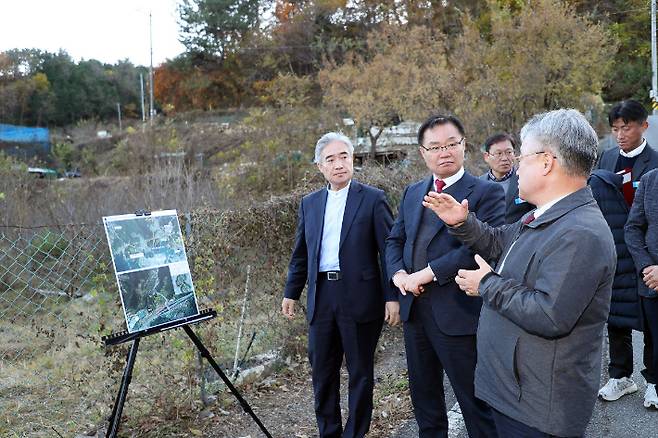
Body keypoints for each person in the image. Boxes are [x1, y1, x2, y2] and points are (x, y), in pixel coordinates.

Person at [424, 109, 616, 437]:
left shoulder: (580, 232)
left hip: (538, 409)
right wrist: (463, 223)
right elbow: (501, 243)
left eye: (521, 156)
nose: (515, 166)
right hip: (514, 395)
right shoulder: (546, 214)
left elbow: (549, 314)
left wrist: (486, 284)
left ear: (546, 162)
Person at [386, 114, 503, 437]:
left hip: (458, 312)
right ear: (423, 153)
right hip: (415, 312)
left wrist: (424, 274)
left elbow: (478, 250)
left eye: (452, 144)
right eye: (435, 147)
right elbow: (395, 240)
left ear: (464, 146)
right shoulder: (412, 192)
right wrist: (398, 276)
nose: (444, 152)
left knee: (475, 402)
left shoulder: (486, 192)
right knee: (425, 401)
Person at [281, 132, 399, 438]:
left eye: (343, 157)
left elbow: (388, 252)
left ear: (353, 159)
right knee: (323, 373)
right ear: (320, 166)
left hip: (360, 297)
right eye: (330, 159)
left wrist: (392, 296)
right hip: (322, 296)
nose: (338, 164)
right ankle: (329, 432)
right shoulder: (310, 203)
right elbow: (301, 253)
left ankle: (355, 434)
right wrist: (291, 292)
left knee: (360, 373)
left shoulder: (373, 199)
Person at [596, 99, 658, 402]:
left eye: (627, 127)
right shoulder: (605, 159)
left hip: (647, 251)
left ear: (643, 126)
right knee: (615, 316)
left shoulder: (655, 162)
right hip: (613, 250)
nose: (620, 134)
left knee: (651, 317)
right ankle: (620, 376)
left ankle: (654, 380)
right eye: (615, 128)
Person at [625, 167, 658, 409]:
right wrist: (647, 266)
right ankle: (654, 384)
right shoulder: (650, 180)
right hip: (651, 278)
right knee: (653, 337)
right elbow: (633, 227)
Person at [480, 133, 534, 223]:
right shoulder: (479, 184)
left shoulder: (527, 179)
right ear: (487, 156)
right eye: (498, 153)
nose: (504, 158)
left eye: (509, 152)